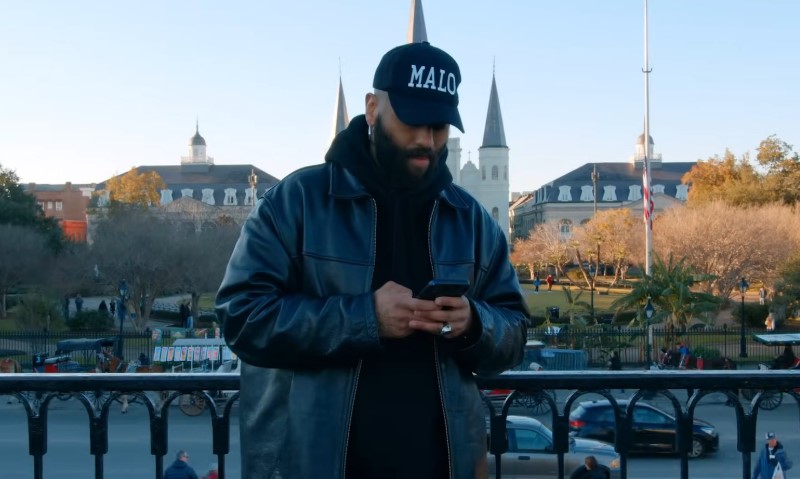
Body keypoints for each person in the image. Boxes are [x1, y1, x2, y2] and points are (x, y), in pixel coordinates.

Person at [215, 41, 529, 479]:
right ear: (372, 108)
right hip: (312, 465)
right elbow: (241, 317)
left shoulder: (471, 220)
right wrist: (366, 317)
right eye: (412, 120)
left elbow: (514, 329)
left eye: (439, 126)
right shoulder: (297, 201)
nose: (426, 139)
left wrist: (473, 322)